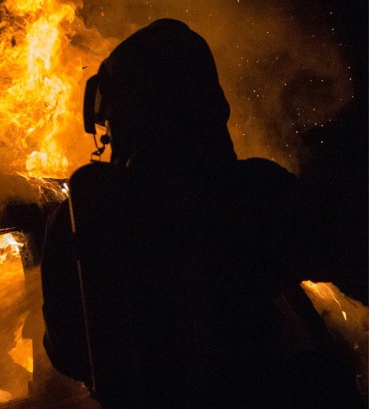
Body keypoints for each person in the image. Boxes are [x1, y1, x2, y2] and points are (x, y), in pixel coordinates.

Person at [40, 19, 364, 408]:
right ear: (210, 102)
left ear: (119, 118)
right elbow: (349, 257)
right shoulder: (255, 191)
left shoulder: (80, 218)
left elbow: (66, 352)